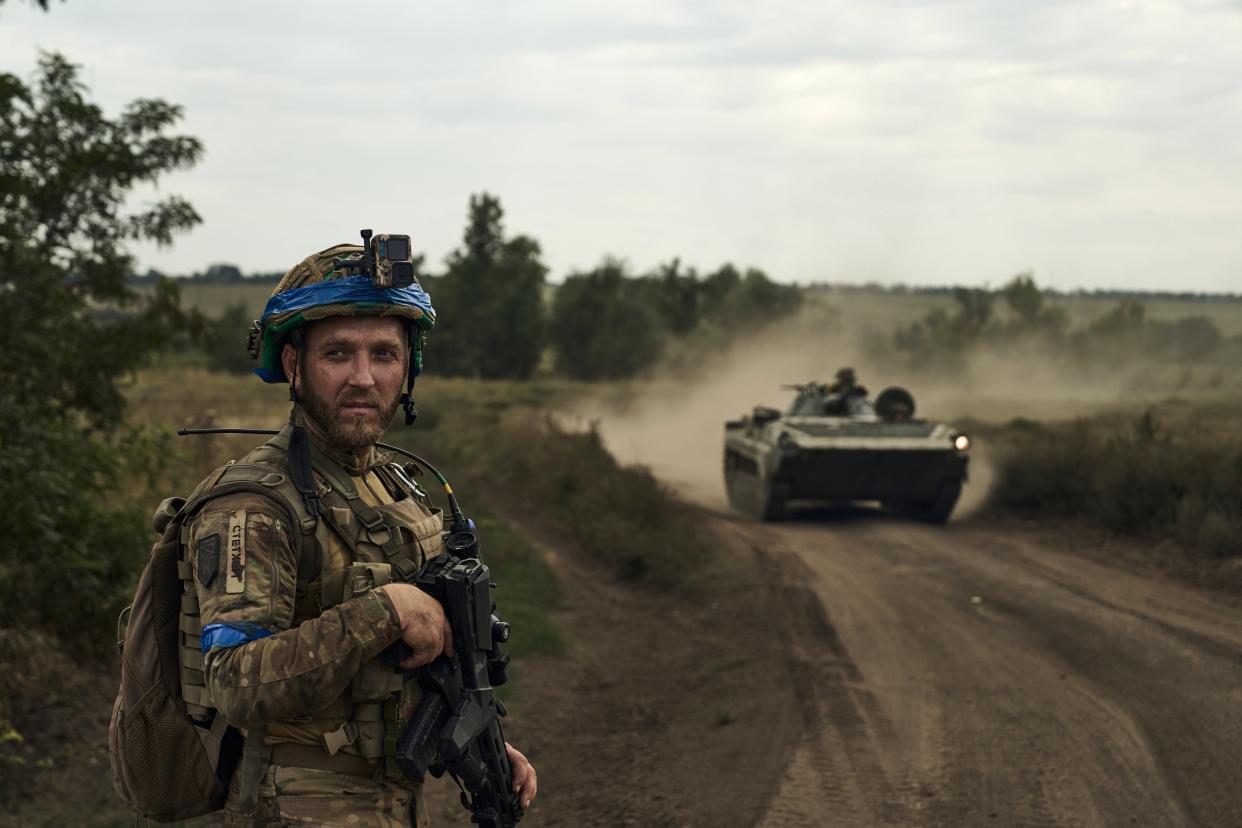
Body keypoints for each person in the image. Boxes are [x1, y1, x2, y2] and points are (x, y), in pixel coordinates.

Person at [179, 240, 537, 826]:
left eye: (385, 354)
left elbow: (405, 672)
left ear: (409, 367)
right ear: (295, 366)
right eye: (338, 353)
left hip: (388, 802)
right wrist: (386, 611)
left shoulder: (393, 483)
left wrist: (483, 743)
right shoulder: (257, 503)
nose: (364, 378)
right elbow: (234, 683)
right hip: (297, 808)